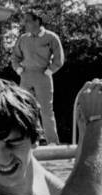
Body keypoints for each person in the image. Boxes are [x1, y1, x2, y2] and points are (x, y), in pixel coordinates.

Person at [11, 11, 64, 145]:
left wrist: (49, 71)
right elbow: (15, 56)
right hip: (26, 76)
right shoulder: (23, 38)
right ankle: (31, 140)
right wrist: (18, 69)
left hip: (43, 75)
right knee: (23, 109)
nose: (25, 24)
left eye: (28, 20)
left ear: (37, 21)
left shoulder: (51, 37)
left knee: (46, 110)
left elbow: (59, 58)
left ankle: (52, 142)